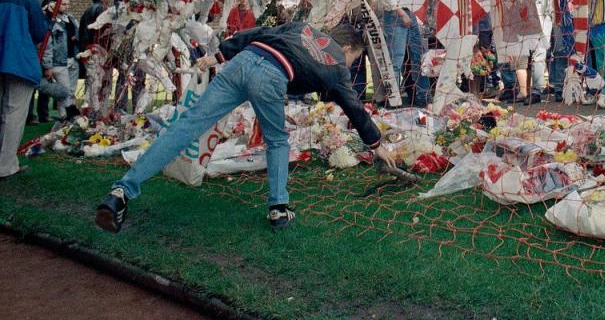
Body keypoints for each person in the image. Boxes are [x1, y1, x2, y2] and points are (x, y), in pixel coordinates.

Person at [96, 21, 395, 232]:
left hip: (242, 62)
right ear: (345, 47)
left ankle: (120, 192)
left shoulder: (302, 28)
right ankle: (278, 208)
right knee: (277, 141)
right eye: (353, 58)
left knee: (186, 126)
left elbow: (260, 32)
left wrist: (220, 54)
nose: (351, 64)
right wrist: (376, 144)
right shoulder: (337, 65)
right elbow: (354, 107)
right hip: (271, 76)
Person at [0, 0, 48, 179]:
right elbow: (39, 32)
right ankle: (5, 165)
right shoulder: (28, 2)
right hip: (19, 63)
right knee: (13, 114)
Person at [41, 0, 80, 120]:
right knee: (64, 91)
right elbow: (47, 41)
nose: (66, 6)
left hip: (72, 58)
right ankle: (65, 117)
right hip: (58, 61)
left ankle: (68, 116)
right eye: (63, 4)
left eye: (67, 4)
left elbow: (77, 33)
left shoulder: (71, 19)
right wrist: (48, 64)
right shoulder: (49, 19)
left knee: (70, 91)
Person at [78, 0, 111, 112]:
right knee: (98, 84)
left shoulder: (89, 10)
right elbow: (105, 30)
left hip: (90, 50)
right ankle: (96, 113)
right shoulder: (101, 9)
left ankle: (93, 111)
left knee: (93, 82)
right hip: (96, 51)